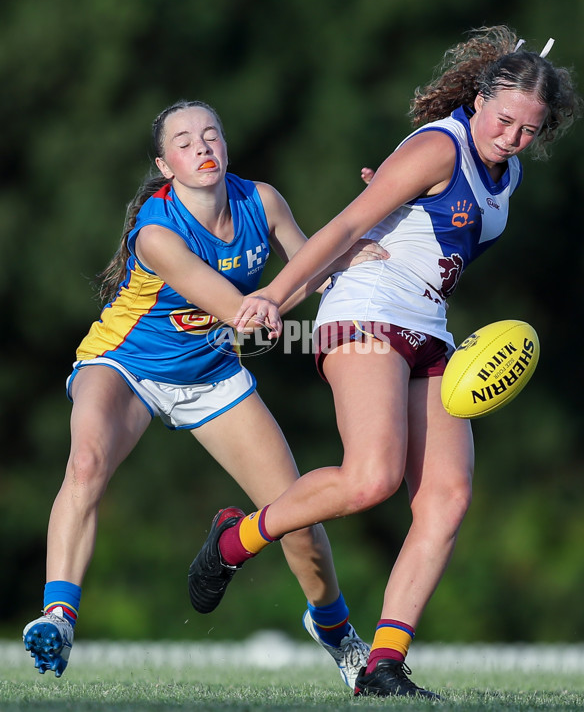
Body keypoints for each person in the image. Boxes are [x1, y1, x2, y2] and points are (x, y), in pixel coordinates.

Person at [189, 26, 583, 698]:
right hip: (367, 311)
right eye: (505, 119)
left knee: (447, 499)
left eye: (529, 128)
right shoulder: (438, 146)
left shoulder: (507, 169)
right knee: (372, 478)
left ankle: (384, 665)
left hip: (430, 327)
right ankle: (238, 535)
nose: (513, 136)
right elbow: (345, 227)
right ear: (482, 98)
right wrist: (277, 296)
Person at [22, 99, 390, 685]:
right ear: (166, 165)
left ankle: (337, 633)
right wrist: (325, 271)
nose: (202, 147)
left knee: (297, 516)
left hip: (212, 376)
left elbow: (311, 264)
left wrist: (361, 255)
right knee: (86, 462)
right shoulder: (157, 230)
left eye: (211, 135)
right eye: (185, 141)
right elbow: (241, 310)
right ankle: (59, 616)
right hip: (125, 365)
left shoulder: (261, 201)